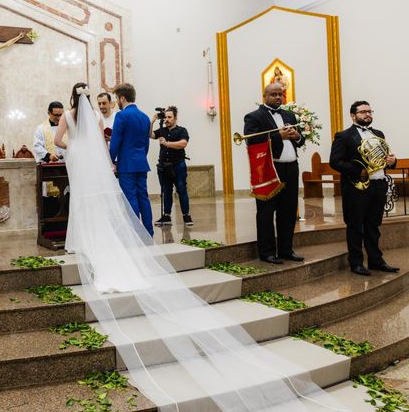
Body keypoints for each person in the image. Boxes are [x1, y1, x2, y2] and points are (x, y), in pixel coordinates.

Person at [51, 87, 345, 412]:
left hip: (86, 163)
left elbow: (65, 142)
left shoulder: (87, 116)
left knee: (91, 204)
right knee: (136, 204)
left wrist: (84, 150)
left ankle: (89, 241)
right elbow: (131, 139)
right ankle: (145, 234)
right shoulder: (104, 116)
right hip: (130, 163)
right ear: (94, 100)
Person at [329, 101, 399, 276]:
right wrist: (358, 171)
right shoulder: (343, 136)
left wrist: (392, 162)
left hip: (378, 185)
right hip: (356, 187)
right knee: (355, 226)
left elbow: (384, 158)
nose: (367, 114)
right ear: (353, 115)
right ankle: (356, 263)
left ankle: (376, 261)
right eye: (363, 112)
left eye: (369, 111)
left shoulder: (378, 133)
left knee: (373, 226)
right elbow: (335, 162)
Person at [244, 82, 305, 264]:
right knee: (266, 212)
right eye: (274, 94)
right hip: (270, 169)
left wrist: (297, 136)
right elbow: (252, 141)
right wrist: (279, 136)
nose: (278, 97)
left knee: (288, 211)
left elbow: (299, 140)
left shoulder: (289, 115)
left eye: (281, 94)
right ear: (265, 96)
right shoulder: (254, 117)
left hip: (291, 168)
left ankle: (286, 250)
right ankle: (267, 252)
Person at [109, 83, 154, 236]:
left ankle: (134, 234)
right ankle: (148, 232)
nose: (117, 102)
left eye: (117, 98)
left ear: (122, 98)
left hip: (126, 165)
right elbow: (146, 143)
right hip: (141, 163)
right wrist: (140, 157)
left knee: (130, 199)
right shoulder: (145, 117)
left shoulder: (121, 116)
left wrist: (110, 160)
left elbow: (115, 141)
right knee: (143, 197)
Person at [150, 106, 192, 227]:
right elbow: (150, 135)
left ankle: (186, 216)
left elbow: (183, 144)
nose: (167, 119)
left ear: (175, 118)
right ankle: (166, 216)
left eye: (170, 117)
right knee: (166, 191)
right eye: (166, 117)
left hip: (178, 165)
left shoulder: (182, 130)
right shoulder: (162, 130)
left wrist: (166, 143)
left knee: (181, 189)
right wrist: (152, 122)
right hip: (164, 166)